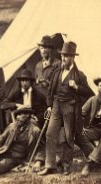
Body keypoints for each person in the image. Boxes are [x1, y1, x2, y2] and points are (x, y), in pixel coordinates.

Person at [38, 41, 93, 176]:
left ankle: (67, 165)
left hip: (70, 106)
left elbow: (89, 93)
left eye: (67, 56)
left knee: (69, 137)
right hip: (56, 105)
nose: (64, 58)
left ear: (73, 57)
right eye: (63, 55)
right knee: (50, 134)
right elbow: (50, 92)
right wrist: (50, 106)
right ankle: (50, 165)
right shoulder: (56, 72)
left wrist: (76, 87)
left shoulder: (80, 75)